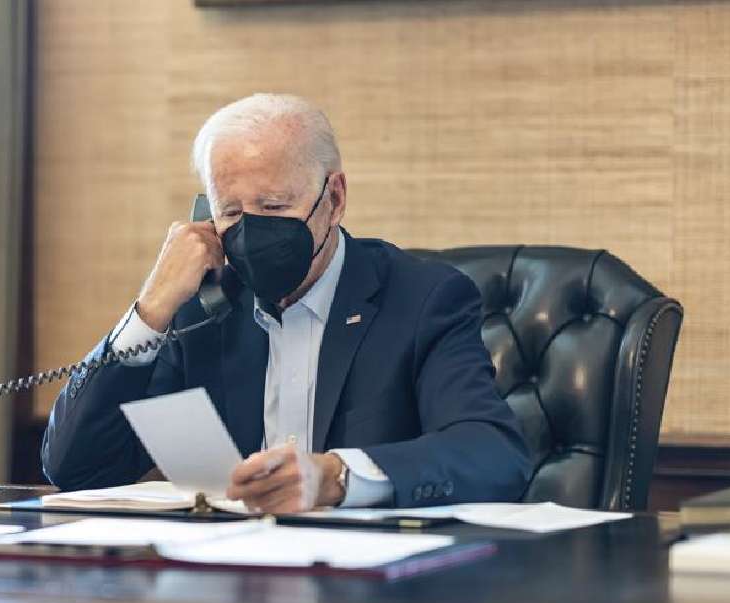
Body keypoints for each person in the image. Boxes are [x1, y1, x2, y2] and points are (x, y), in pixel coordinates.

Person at [41, 93, 530, 512]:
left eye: (274, 207)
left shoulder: (424, 299)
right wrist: (150, 310)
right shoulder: (201, 309)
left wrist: (336, 477)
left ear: (334, 199)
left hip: (371, 592)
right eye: (231, 212)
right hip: (227, 584)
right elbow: (77, 467)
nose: (252, 231)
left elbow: (492, 454)